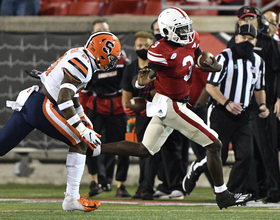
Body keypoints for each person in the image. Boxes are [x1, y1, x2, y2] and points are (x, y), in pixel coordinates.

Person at [96, 7, 252, 209]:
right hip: (171, 104)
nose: (186, 32)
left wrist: (207, 62)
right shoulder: (160, 50)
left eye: (187, 27)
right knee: (214, 144)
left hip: (174, 102)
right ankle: (223, 195)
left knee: (145, 149)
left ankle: (94, 148)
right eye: (180, 29)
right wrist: (142, 79)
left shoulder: (191, 38)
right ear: (167, 31)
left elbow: (196, 55)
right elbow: (149, 73)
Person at [0, 32, 122, 212]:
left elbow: (73, 94)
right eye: (111, 57)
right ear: (101, 53)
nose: (113, 62)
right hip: (43, 105)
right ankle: (71, 199)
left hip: (33, 101)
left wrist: (82, 116)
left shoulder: (81, 54)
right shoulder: (83, 65)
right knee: (80, 141)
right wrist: (81, 128)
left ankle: (72, 198)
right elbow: (64, 99)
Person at [184, 24, 269, 201]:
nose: (246, 41)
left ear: (255, 41)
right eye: (243, 37)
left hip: (243, 115)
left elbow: (259, 88)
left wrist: (262, 105)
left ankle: (230, 193)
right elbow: (210, 86)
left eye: (250, 38)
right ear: (235, 38)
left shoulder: (258, 61)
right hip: (220, 112)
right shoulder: (223, 57)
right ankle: (196, 168)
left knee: (246, 156)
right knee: (218, 156)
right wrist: (226, 102)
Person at [227, 6, 280, 202]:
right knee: (247, 150)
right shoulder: (232, 42)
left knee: (267, 148)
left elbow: (278, 71)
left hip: (263, 104)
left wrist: (279, 99)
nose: (248, 21)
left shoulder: (267, 42)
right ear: (239, 22)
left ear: (258, 20)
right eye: (244, 18)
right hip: (240, 105)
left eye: (251, 18)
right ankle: (253, 190)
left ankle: (275, 190)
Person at [79, 19, 131, 198]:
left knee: (124, 146)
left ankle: (120, 184)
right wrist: (83, 115)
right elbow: (83, 89)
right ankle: (94, 181)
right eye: (98, 31)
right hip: (96, 106)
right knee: (89, 143)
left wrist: (127, 106)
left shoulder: (122, 57)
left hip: (118, 107)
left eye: (104, 30)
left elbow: (128, 86)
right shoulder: (86, 59)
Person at [121, 30, 156, 200]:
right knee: (144, 151)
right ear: (134, 47)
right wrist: (128, 107)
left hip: (159, 113)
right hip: (142, 115)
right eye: (140, 45)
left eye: (146, 45)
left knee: (157, 152)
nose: (143, 48)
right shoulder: (130, 68)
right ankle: (145, 187)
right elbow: (126, 95)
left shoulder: (158, 66)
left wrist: (149, 104)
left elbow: (160, 92)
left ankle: (152, 187)